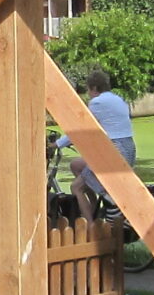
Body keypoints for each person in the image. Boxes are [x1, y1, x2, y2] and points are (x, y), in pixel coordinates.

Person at [52, 65, 136, 210]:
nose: (88, 94)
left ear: (95, 88)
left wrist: (56, 144)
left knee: (76, 187)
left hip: (114, 151)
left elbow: (81, 129)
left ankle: (91, 221)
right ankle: (95, 207)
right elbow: (108, 127)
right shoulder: (118, 99)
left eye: (88, 90)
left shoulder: (97, 102)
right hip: (129, 149)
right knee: (76, 165)